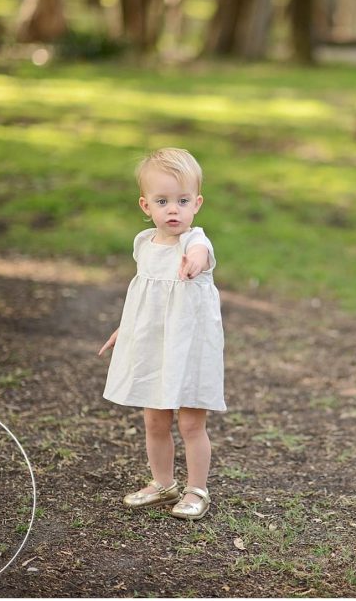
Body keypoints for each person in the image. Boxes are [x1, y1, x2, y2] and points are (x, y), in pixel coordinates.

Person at [98, 147, 225, 521]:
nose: (174, 209)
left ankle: (197, 489)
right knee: (154, 419)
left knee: (190, 422)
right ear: (145, 205)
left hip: (189, 348)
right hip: (154, 345)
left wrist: (197, 263)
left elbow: (201, 253)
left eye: (183, 201)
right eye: (163, 201)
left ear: (197, 203)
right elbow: (144, 299)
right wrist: (126, 329)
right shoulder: (144, 245)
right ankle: (162, 482)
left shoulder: (195, 242)